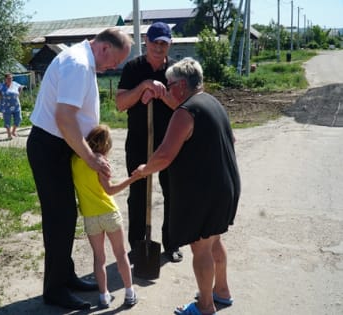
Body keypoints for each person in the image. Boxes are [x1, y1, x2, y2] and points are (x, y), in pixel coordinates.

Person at [26, 28, 132, 310]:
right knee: (58, 218)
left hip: (60, 147)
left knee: (66, 215)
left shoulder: (81, 61)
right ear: (105, 48)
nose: (113, 67)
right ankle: (55, 290)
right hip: (51, 147)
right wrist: (90, 158)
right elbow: (64, 119)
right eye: (114, 61)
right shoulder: (78, 64)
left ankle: (66, 275)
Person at [132, 57, 241, 315]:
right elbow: (232, 139)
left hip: (206, 192)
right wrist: (158, 96)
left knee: (200, 247)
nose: (169, 91)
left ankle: (205, 307)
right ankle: (221, 292)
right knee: (214, 241)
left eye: (169, 86)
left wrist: (144, 170)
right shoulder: (212, 102)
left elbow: (164, 156)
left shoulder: (184, 113)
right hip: (227, 186)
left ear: (181, 85)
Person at [115, 21, 183, 263]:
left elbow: (183, 107)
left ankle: (171, 243)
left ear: (169, 45)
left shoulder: (176, 72)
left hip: (170, 142)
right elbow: (121, 103)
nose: (158, 47)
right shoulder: (133, 68)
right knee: (138, 192)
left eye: (163, 43)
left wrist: (161, 94)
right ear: (146, 41)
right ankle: (137, 244)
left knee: (173, 193)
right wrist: (142, 87)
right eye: (155, 42)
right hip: (138, 142)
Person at [71, 124, 138, 309]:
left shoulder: (75, 161)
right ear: (105, 144)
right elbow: (109, 190)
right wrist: (133, 178)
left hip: (90, 217)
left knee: (99, 258)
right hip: (109, 213)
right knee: (121, 254)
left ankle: (103, 296)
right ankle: (130, 292)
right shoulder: (100, 162)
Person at [0, 73, 23, 139]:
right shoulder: (1, 86)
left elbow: (20, 87)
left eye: (11, 78)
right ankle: (9, 134)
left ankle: (13, 131)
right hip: (6, 107)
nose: (10, 79)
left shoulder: (15, 84)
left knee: (18, 119)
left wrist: (19, 93)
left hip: (16, 105)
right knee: (7, 120)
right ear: (5, 79)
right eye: (8, 78)